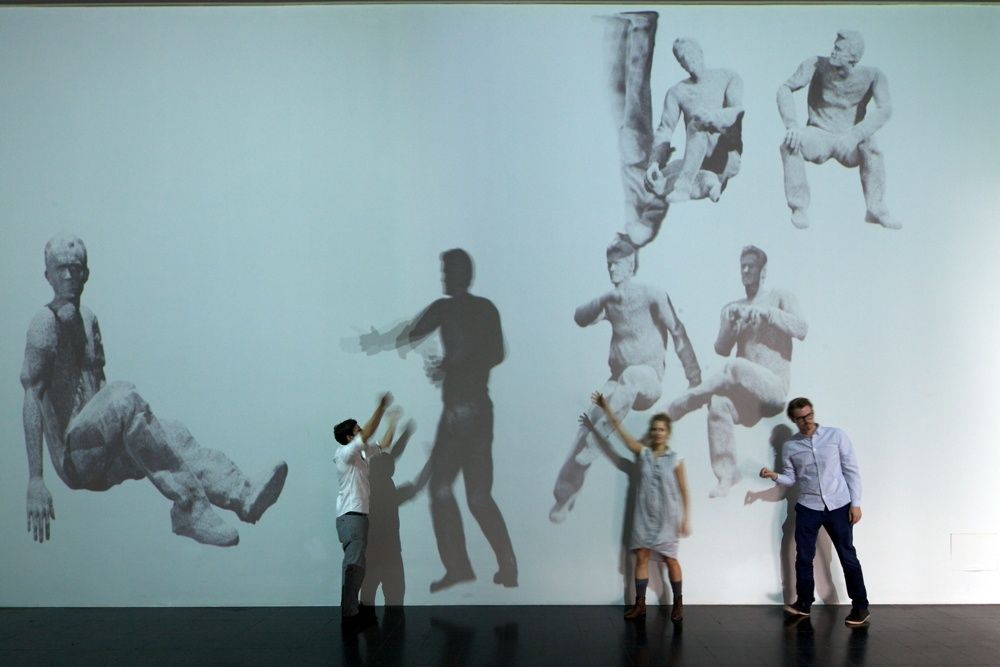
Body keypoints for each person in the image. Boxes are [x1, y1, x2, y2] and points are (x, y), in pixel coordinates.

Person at [19, 234, 287, 548]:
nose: (68, 276)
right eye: (60, 268)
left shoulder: (88, 320)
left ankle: (242, 494)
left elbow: (99, 392)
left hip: (104, 451)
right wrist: (36, 479)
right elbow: (32, 395)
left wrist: (136, 433)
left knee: (172, 433)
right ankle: (190, 506)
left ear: (86, 274)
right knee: (124, 395)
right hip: (75, 460)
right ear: (47, 275)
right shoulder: (44, 324)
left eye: (75, 269)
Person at [549, 237, 700, 522]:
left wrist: (694, 376)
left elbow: (677, 330)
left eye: (616, 264)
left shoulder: (651, 294)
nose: (611, 269)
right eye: (608, 264)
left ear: (630, 264)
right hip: (617, 381)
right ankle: (565, 495)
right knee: (589, 420)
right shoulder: (611, 301)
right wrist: (603, 299)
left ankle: (594, 446)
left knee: (631, 377)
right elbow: (580, 318)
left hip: (648, 380)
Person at [398, 249, 518, 593]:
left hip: (468, 410)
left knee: (463, 494)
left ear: (461, 274)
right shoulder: (451, 308)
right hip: (466, 411)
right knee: (465, 494)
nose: (443, 277)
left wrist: (450, 363)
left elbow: (493, 353)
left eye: (447, 271)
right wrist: (438, 359)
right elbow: (412, 333)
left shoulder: (471, 309)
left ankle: (481, 565)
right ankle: (481, 565)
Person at [666, 246, 807, 497]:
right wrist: (730, 325)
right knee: (718, 403)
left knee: (735, 366)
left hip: (773, 388)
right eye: (743, 266)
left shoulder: (779, 297)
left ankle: (686, 401)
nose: (746, 270)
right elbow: (721, 348)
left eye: (751, 266)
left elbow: (801, 328)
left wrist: (767, 314)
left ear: (763, 271)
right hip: (746, 399)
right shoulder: (735, 307)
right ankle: (727, 474)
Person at [759, 397, 871, 627]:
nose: (807, 421)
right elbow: (791, 478)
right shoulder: (790, 446)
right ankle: (804, 603)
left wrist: (856, 503)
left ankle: (860, 607)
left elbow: (851, 470)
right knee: (803, 557)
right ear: (794, 420)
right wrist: (774, 476)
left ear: (813, 413)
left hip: (839, 505)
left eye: (809, 415)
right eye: (800, 418)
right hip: (808, 507)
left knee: (847, 556)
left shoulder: (836, 436)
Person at [777, 30, 901, 230]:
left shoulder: (873, 76)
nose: (833, 51)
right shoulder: (816, 64)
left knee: (871, 145)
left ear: (853, 57)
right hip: (818, 134)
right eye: (834, 47)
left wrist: (855, 134)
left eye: (839, 49)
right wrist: (792, 125)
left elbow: (885, 109)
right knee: (790, 141)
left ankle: (876, 209)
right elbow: (785, 88)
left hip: (848, 141)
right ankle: (799, 206)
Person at [591, 391, 690, 623]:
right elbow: (620, 434)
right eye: (654, 429)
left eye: (661, 429)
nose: (657, 432)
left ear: (667, 432)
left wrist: (686, 518)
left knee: (670, 560)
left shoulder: (676, 459)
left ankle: (678, 603)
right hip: (643, 515)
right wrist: (606, 408)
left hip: (667, 517)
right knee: (642, 557)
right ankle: (640, 604)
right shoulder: (642, 453)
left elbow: (684, 490)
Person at [644, 37, 745, 205]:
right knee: (654, 181)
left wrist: (712, 118)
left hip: (725, 156)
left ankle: (684, 187)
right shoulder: (677, 92)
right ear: (681, 64)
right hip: (696, 162)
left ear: (700, 52)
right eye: (681, 58)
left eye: (690, 53)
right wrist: (654, 162)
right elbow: (665, 130)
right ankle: (709, 183)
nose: (687, 59)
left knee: (697, 121)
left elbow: (738, 112)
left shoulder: (728, 77)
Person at [333, 392, 402, 629]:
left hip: (358, 517)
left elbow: (383, 444)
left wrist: (393, 423)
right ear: (349, 437)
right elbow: (368, 433)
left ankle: (352, 610)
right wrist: (381, 408)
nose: (362, 430)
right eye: (358, 429)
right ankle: (350, 614)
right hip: (351, 517)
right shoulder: (344, 454)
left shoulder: (361, 455)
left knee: (358, 566)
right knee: (354, 566)